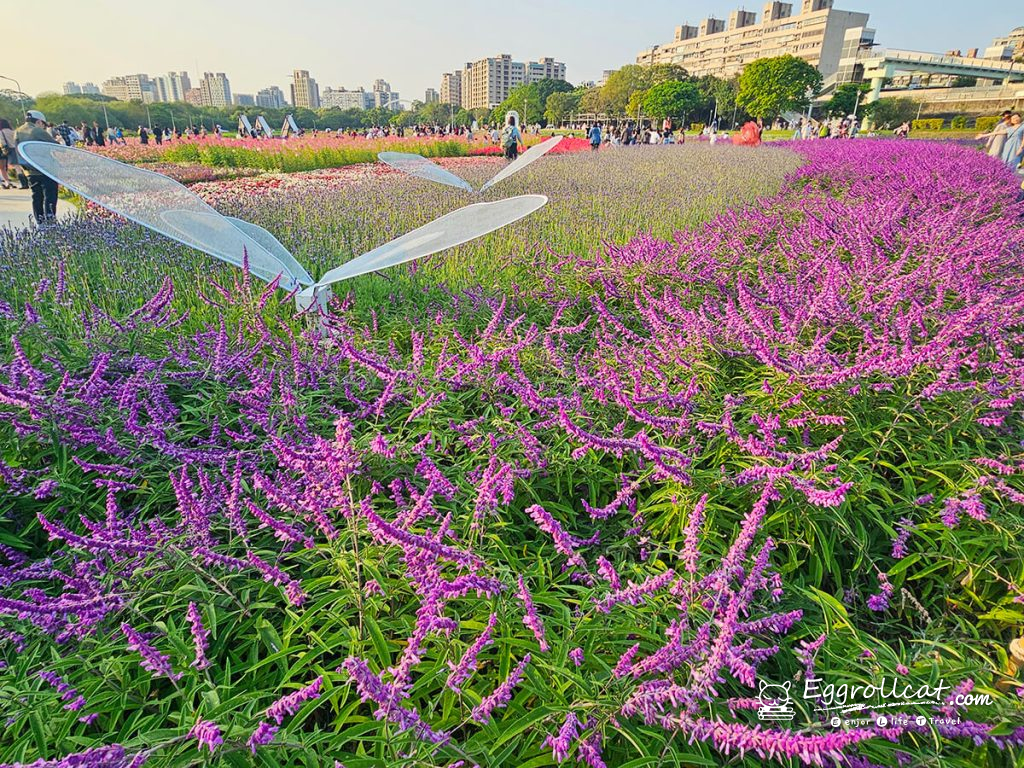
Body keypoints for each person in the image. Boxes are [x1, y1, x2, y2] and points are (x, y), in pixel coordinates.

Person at [15, 110, 59, 223]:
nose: (44, 127)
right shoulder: (36, 130)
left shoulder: (17, 131)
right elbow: (54, 145)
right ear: (39, 122)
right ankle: (50, 220)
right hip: (45, 168)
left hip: (29, 170)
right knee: (50, 196)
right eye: (43, 124)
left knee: (37, 196)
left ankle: (40, 221)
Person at [0, 118, 29, 189]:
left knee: (16, 167)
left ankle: (24, 184)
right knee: (21, 166)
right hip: (17, 148)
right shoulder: (12, 131)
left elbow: (2, 142)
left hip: (10, 150)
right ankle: (26, 182)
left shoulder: (1, 132)